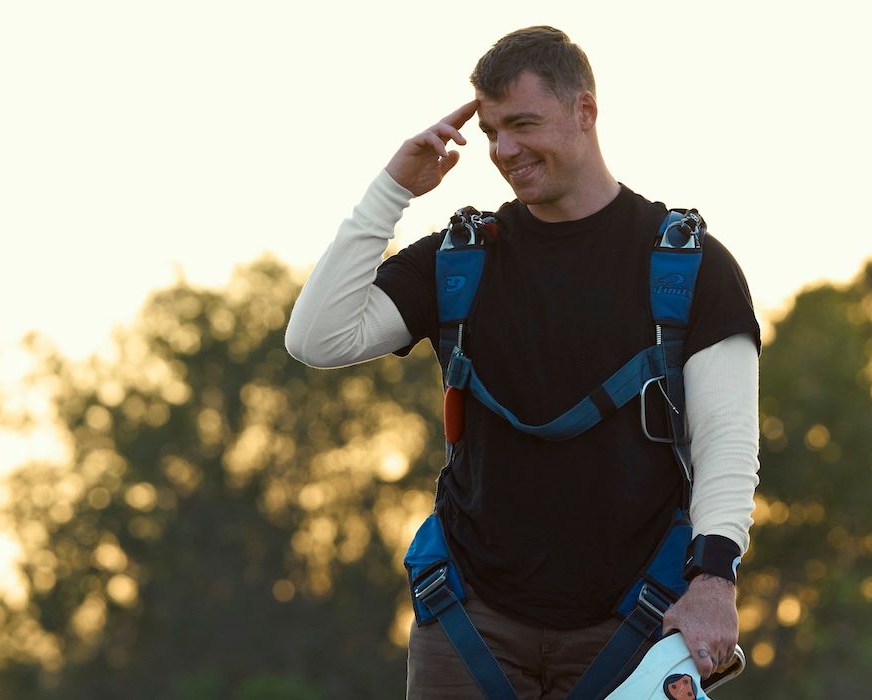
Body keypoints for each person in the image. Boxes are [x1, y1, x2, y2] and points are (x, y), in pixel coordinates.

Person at [285, 26, 761, 698]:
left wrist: (715, 582)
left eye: (522, 124)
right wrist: (394, 188)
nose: (503, 150)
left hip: (637, 620)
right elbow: (317, 338)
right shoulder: (462, 257)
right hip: (471, 623)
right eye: (488, 131)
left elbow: (728, 442)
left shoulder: (690, 265)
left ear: (584, 111)